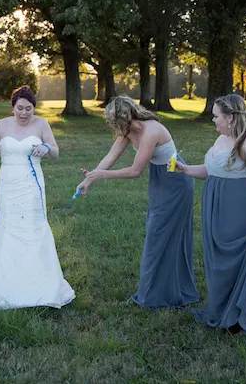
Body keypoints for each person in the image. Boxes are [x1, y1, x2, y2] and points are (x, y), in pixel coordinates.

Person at [0, 86, 75, 309]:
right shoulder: (1, 125)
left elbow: (56, 153)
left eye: (28, 109)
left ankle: (38, 283)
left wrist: (46, 146)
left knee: (32, 228)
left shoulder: (41, 124)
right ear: (12, 108)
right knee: (7, 227)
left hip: (31, 185)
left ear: (34, 108)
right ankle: (4, 280)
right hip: (8, 184)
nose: (24, 113)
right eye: (19, 108)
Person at [77, 95, 199, 310]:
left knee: (160, 235)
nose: (121, 127)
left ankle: (157, 294)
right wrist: (88, 180)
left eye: (121, 121)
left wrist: (103, 175)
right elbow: (110, 156)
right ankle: (161, 290)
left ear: (128, 115)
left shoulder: (151, 130)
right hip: (160, 180)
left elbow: (135, 171)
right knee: (159, 233)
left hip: (176, 182)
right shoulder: (128, 131)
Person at [176, 94, 246, 334]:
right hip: (217, 212)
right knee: (219, 262)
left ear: (230, 117)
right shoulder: (222, 138)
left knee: (241, 261)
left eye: (216, 116)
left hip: (242, 210)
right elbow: (213, 171)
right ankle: (222, 310)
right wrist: (187, 169)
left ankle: (243, 318)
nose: (213, 121)